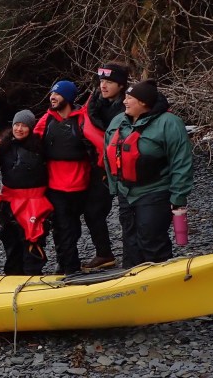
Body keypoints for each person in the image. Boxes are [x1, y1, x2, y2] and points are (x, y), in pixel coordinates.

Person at [103, 79, 193, 267]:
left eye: (130, 98)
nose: (125, 102)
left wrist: (178, 196)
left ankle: (162, 282)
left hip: (155, 190)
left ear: (143, 102)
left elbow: (181, 162)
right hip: (125, 191)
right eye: (125, 97)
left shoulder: (169, 123)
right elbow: (107, 152)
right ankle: (132, 281)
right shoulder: (118, 121)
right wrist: (114, 187)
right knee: (130, 241)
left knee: (151, 239)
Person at [34, 81, 90, 275]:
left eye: (57, 94)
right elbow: (30, 142)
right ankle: (69, 268)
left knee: (73, 228)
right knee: (62, 226)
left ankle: (66, 260)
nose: (52, 97)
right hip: (55, 185)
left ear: (68, 97)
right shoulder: (47, 120)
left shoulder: (82, 118)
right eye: (51, 94)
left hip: (81, 184)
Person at [80, 62, 129, 270]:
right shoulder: (94, 103)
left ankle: (135, 256)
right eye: (101, 81)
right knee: (93, 211)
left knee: (130, 214)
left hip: (126, 165)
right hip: (100, 166)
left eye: (109, 81)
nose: (103, 86)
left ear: (120, 85)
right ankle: (104, 253)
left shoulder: (130, 104)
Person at [0, 110, 53, 275]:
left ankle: (32, 275)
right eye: (16, 125)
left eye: (24, 126)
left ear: (31, 128)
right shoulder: (3, 147)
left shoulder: (40, 147)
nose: (19, 129)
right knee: (10, 240)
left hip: (34, 201)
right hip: (10, 201)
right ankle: (12, 276)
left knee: (32, 240)